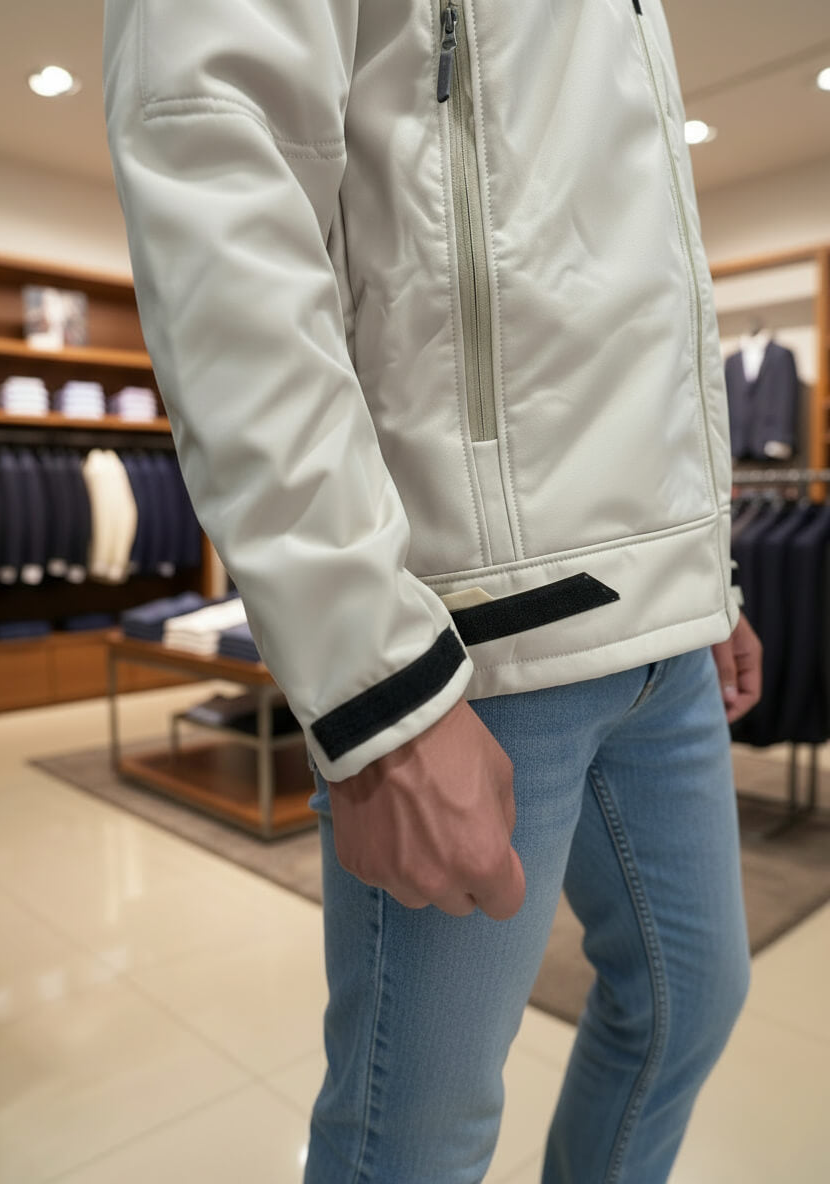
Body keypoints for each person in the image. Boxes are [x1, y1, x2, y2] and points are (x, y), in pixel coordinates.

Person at [103, 0, 762, 1179]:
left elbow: (638, 274)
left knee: (688, 1006)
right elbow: (216, 153)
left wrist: (703, 567)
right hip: (475, 640)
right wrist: (377, 682)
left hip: (662, 613)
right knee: (414, 1139)